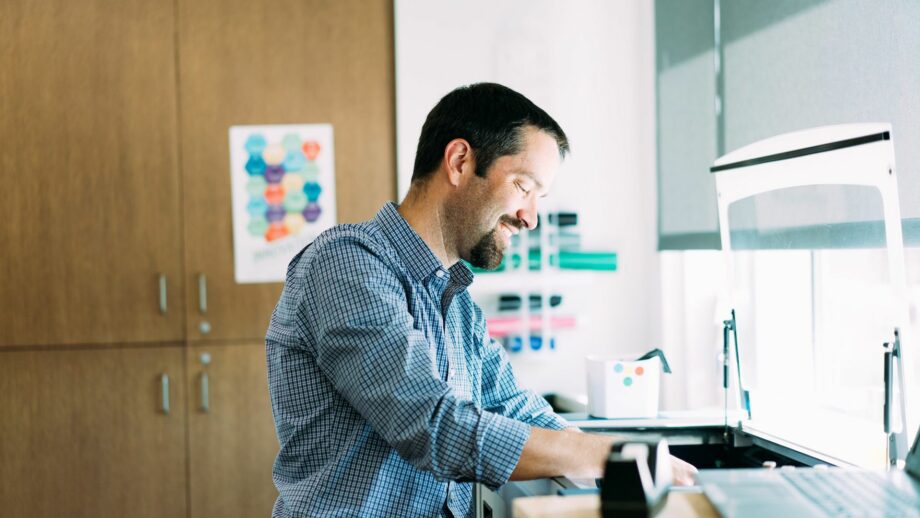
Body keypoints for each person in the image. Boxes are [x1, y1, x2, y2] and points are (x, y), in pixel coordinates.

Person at [265, 82, 696, 517]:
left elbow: (513, 406)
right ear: (459, 162)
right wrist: (607, 455)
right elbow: (434, 427)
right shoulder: (347, 264)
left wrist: (626, 457)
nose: (530, 217)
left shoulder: (458, 305)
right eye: (523, 186)